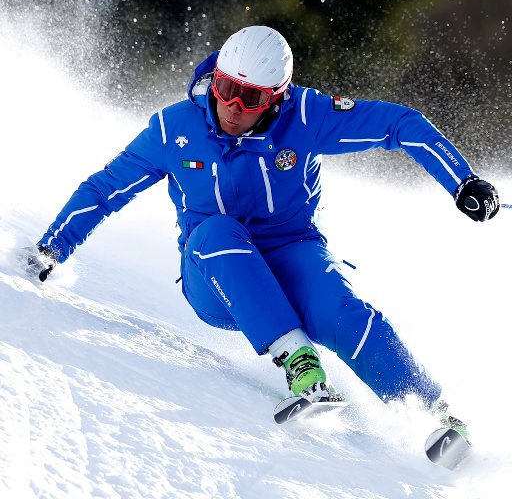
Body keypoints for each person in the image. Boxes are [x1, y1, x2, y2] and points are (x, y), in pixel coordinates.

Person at [25, 26, 499, 432]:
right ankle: (302, 368)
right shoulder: (175, 128)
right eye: (225, 88)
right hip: (215, 276)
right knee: (216, 231)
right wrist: (53, 247)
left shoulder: (307, 116)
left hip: (292, 251)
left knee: (340, 308)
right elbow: (106, 188)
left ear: (277, 97)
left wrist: (463, 181)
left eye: (249, 98)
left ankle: (434, 415)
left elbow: (400, 124)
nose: (231, 105)